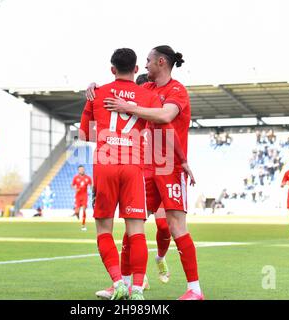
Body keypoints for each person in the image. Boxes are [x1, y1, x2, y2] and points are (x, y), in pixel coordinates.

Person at [87, 45, 203, 300]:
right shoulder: (147, 89)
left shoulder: (177, 91)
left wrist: (126, 107)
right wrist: (94, 88)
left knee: (173, 226)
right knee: (133, 223)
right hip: (143, 164)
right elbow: (123, 89)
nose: (146, 64)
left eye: (149, 60)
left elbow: (164, 116)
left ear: (161, 62)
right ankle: (124, 284)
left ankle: (195, 289)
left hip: (169, 165)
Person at [71, 165, 92, 231]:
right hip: (77, 196)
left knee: (84, 210)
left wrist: (92, 189)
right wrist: (75, 188)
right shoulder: (76, 178)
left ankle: (83, 225)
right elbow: (72, 185)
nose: (81, 170)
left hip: (84, 195)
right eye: (80, 169)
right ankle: (76, 214)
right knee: (77, 211)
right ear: (78, 170)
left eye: (82, 169)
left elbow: (91, 185)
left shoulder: (88, 178)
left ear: (84, 170)